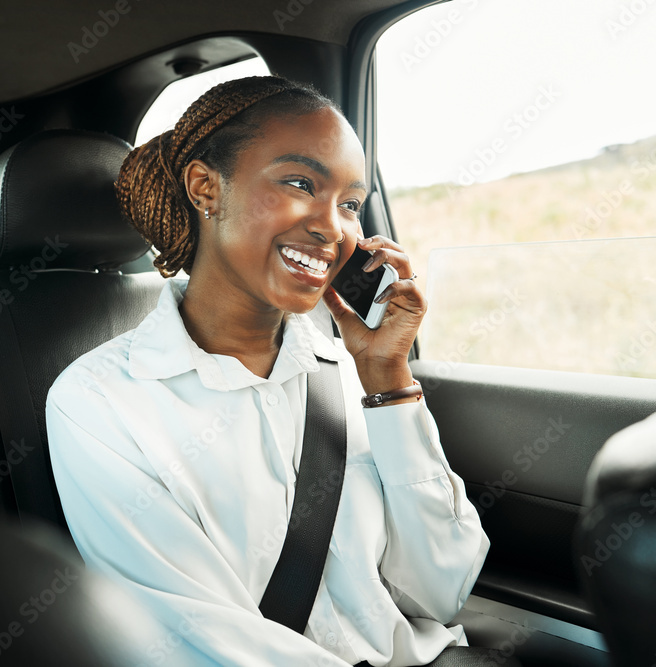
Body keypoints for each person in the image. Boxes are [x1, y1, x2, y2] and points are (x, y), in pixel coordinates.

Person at [45, 75, 490, 666]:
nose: (334, 228)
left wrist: (391, 384)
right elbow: (203, 642)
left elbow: (441, 592)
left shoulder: (353, 373)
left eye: (351, 204)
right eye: (301, 183)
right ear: (206, 188)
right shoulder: (99, 401)